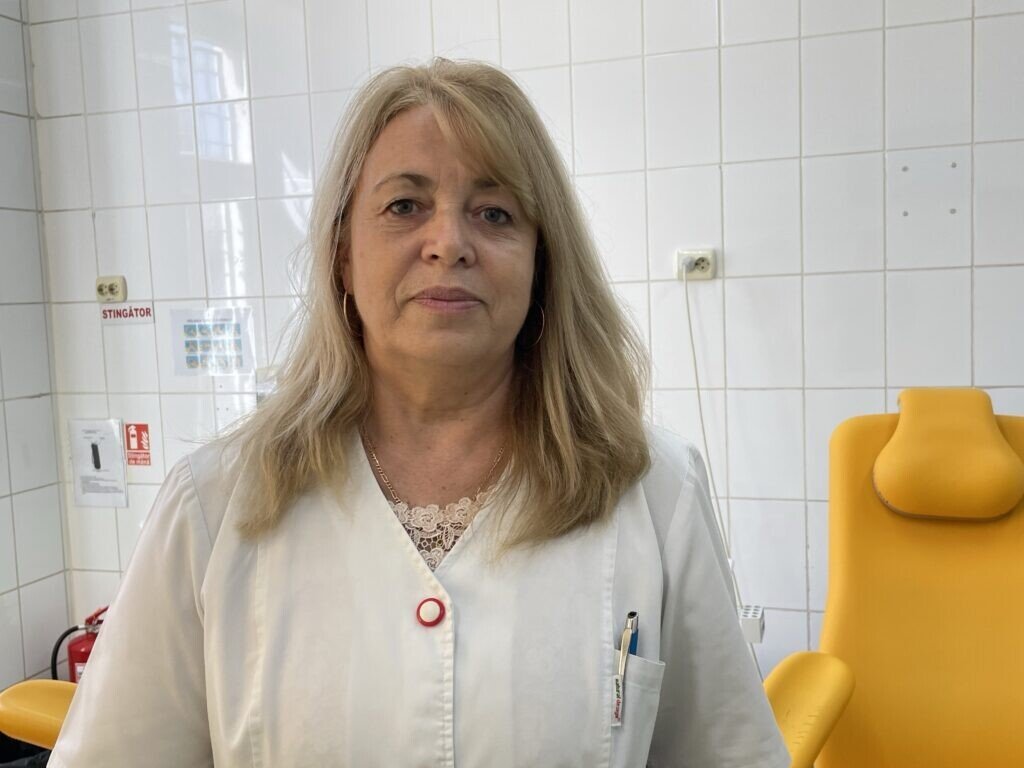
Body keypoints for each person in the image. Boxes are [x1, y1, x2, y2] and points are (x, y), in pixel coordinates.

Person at [48, 58, 789, 768]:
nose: (449, 244)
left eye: (494, 213)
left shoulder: (656, 490)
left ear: (542, 260)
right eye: (404, 206)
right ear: (342, 253)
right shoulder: (213, 503)